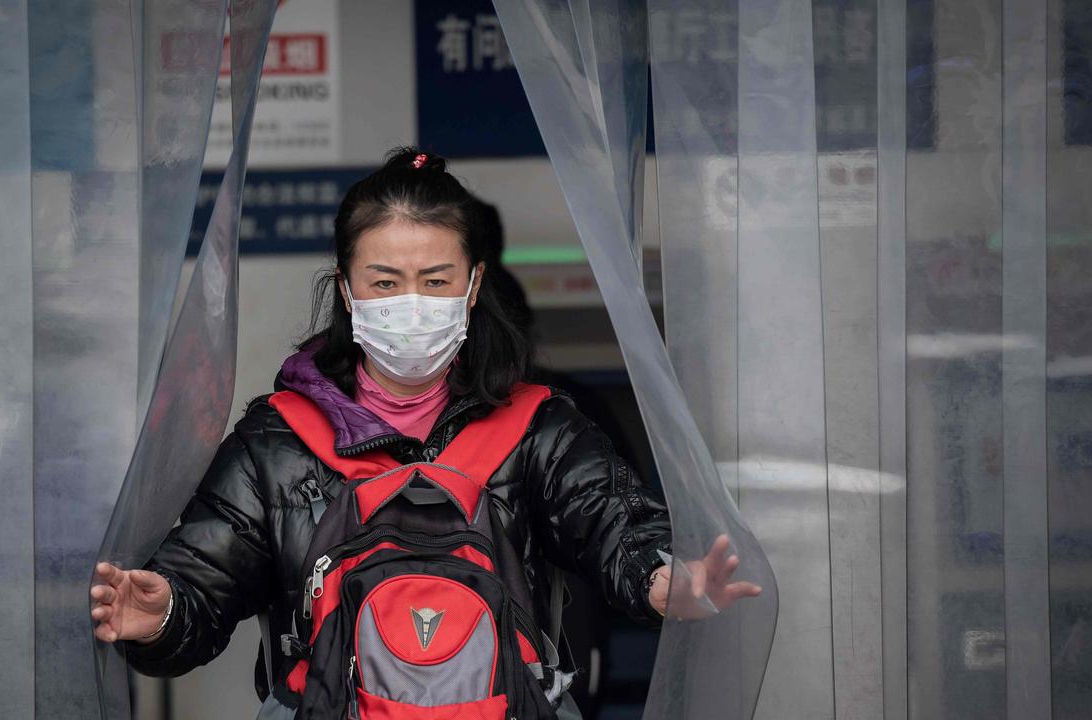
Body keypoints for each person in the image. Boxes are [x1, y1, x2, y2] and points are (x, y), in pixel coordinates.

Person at [90, 148, 760, 715]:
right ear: (348, 293)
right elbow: (201, 583)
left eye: (434, 280)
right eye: (385, 282)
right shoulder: (278, 444)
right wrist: (165, 614)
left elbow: (611, 519)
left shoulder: (538, 429)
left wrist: (659, 575)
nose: (410, 303)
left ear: (472, 287)